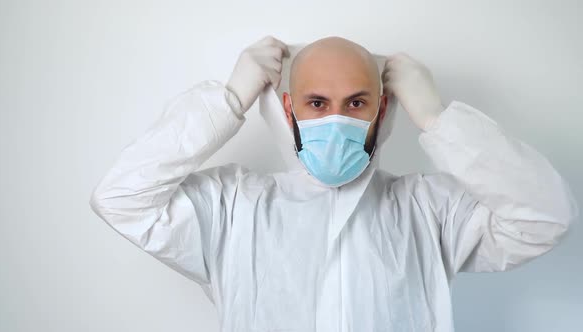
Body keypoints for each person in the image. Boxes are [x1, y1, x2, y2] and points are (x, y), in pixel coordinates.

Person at [89, 35, 579, 331]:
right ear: (288, 111)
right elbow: (121, 198)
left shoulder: (428, 209)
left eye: (357, 102)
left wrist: (435, 118)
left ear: (382, 110)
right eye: (317, 103)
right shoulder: (233, 205)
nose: (337, 118)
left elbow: (544, 215)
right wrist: (230, 99)